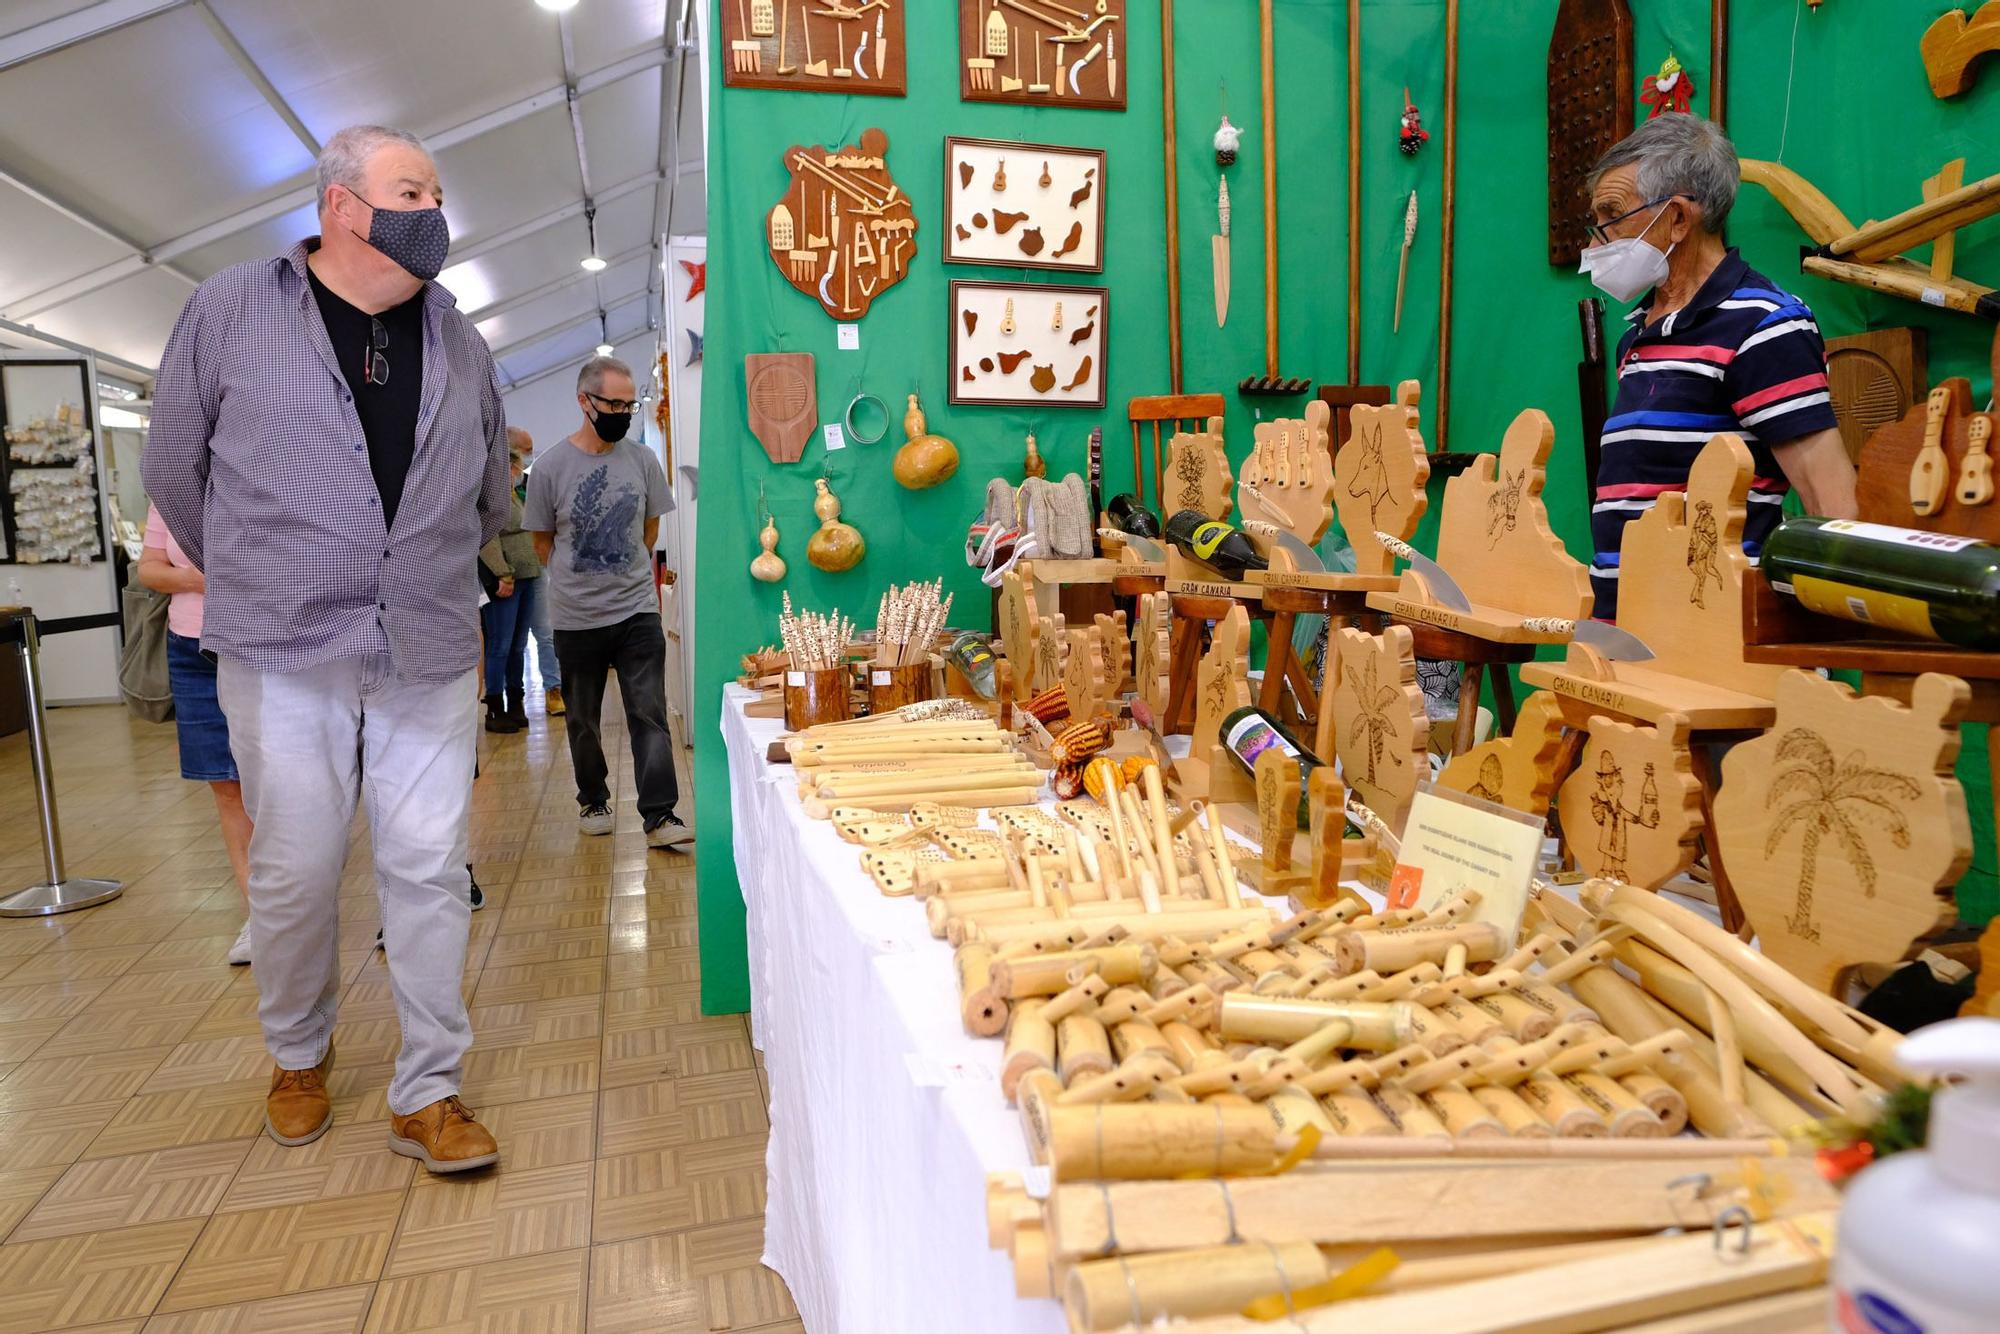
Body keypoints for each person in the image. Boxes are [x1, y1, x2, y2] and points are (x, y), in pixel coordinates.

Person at [143, 123, 506, 1174]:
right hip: (284, 645)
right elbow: (175, 469)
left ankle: (428, 1088)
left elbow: (488, 489)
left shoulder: (459, 335)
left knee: (430, 867)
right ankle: (297, 1053)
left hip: (426, 640)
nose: (431, 209)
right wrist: (264, 576)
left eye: (437, 192)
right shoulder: (230, 309)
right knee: (295, 866)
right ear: (342, 205)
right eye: (409, 189)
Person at [1580, 114, 1857, 621]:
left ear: (1679, 219)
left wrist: (1829, 639)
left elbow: (1830, 500)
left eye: (1612, 214)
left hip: (1716, 635)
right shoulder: (1637, 335)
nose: (1597, 240)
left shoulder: (1764, 325)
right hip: (1628, 629)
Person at [525, 355, 691, 850]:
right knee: (583, 719)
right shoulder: (550, 467)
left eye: (629, 404)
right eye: (613, 403)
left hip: (636, 611)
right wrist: (582, 581)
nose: (623, 412)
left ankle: (660, 815)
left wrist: (624, 575)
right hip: (576, 619)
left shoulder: (642, 460)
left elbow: (650, 529)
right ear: (584, 401)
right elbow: (541, 542)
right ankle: (593, 798)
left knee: (649, 713)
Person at [137, 503, 255, 966]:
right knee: (226, 786)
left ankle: (292, 911)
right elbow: (150, 568)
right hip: (190, 646)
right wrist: (200, 581)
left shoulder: (256, 472)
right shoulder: (169, 486)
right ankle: (261, 917)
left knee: (277, 785)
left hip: (259, 643)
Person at [479, 428, 544, 733]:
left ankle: (516, 702)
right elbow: (487, 536)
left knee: (518, 645)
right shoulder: (489, 496)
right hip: (505, 579)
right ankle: (494, 707)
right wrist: (502, 572)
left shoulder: (514, 494)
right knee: (499, 645)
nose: (520, 470)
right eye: (516, 464)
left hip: (527, 574)